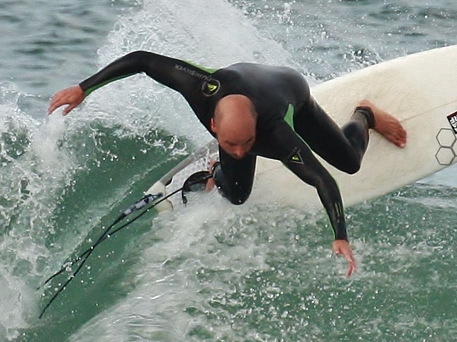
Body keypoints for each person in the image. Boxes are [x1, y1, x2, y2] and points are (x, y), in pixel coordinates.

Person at [48, 50, 406, 276]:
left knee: (349, 162)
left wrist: (340, 235)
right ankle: (212, 172)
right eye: (229, 144)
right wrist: (84, 88)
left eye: (245, 144)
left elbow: (322, 180)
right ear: (214, 126)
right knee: (236, 195)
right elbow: (142, 60)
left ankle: (365, 114)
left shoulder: (276, 133)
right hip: (238, 89)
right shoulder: (200, 87)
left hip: (289, 92)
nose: (237, 151)